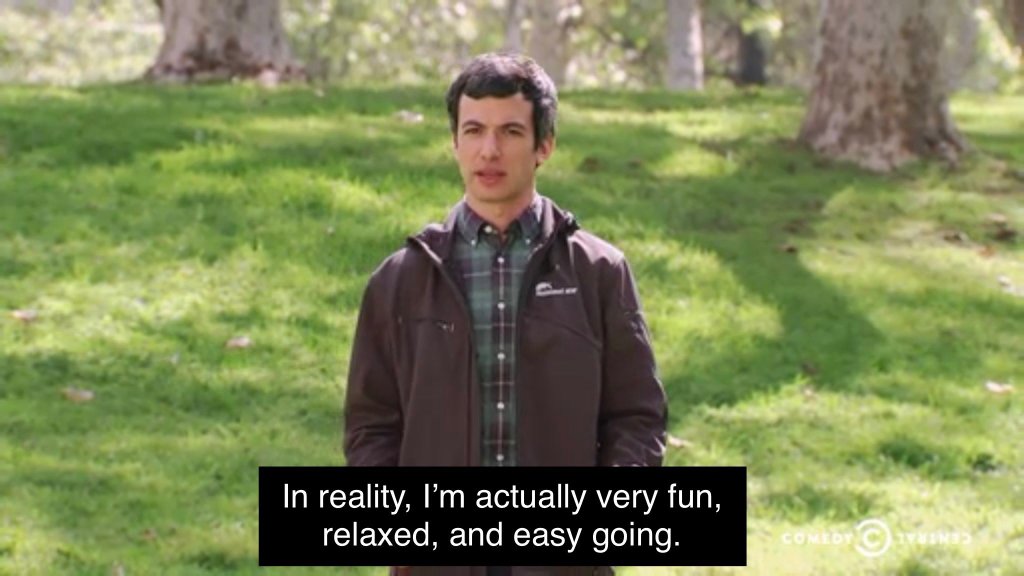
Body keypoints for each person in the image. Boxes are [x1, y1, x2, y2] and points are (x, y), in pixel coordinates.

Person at [343, 52, 668, 576]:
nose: (489, 150)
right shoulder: (399, 280)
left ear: (544, 146)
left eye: (511, 132)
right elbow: (370, 426)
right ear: (454, 142)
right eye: (473, 130)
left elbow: (637, 417)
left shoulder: (598, 272)